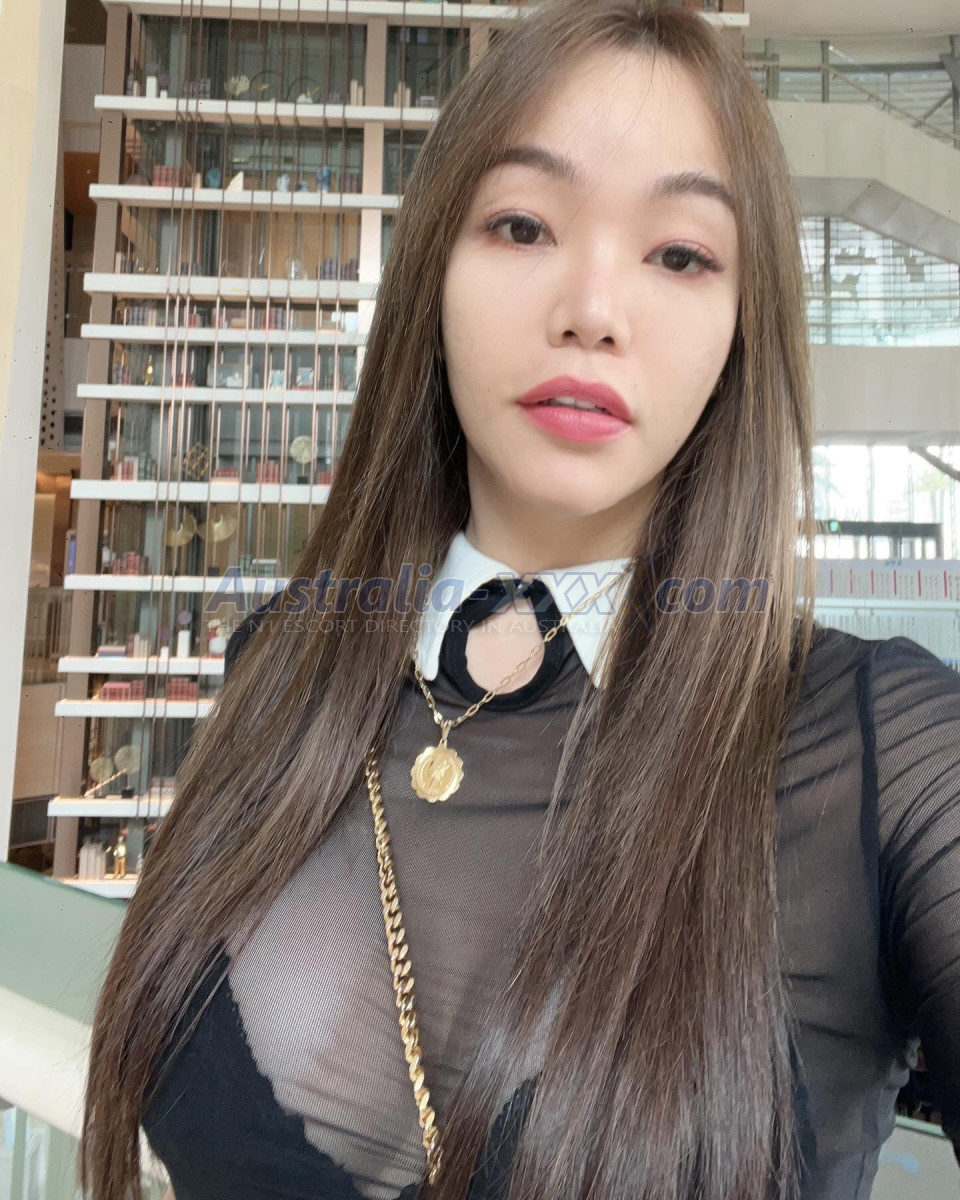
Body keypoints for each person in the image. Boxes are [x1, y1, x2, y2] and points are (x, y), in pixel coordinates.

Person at [80, 2, 960, 1198]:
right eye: (523, 224)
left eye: (680, 254)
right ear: (434, 274)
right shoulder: (280, 665)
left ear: (741, 327)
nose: (592, 308)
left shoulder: (883, 755)